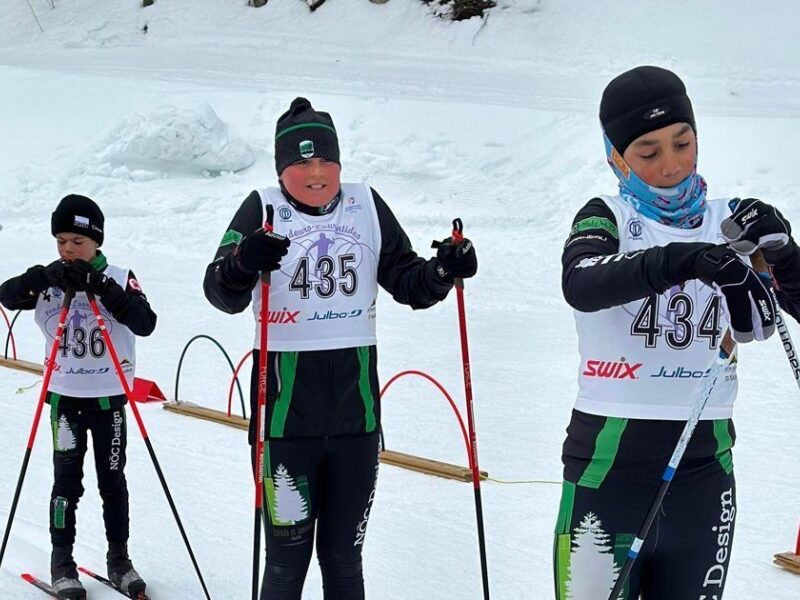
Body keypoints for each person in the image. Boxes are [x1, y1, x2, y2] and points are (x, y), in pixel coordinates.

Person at [203, 97, 477, 599]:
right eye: (300, 163)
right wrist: (244, 261)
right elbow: (218, 290)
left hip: (357, 424)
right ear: (281, 168)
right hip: (284, 425)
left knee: (345, 560)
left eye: (325, 160)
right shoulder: (262, 207)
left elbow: (407, 279)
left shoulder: (365, 204)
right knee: (286, 564)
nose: (315, 172)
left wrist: (443, 271)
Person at [554, 65, 800, 599]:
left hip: (704, 470)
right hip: (609, 463)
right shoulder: (607, 218)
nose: (671, 164)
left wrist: (784, 255)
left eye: (683, 143)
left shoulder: (733, 220)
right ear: (616, 157)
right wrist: (686, 260)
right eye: (648, 152)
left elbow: (781, 309)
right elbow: (581, 281)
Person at [0, 195, 157, 600]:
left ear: (97, 243)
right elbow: (7, 294)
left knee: (113, 482)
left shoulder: (120, 277)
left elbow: (145, 322)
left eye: (77, 242)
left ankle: (119, 559)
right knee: (66, 484)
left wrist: (102, 288)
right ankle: (62, 561)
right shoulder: (52, 281)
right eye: (61, 241)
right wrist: (41, 277)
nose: (69, 249)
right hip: (66, 402)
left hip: (109, 401)